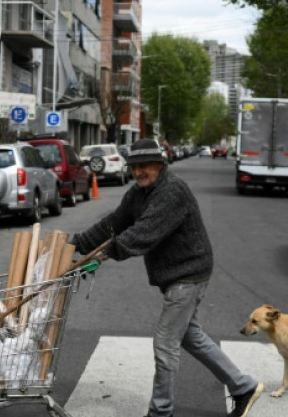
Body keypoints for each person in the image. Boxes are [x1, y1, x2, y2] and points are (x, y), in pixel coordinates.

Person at [71, 138, 263, 417]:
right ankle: (243, 386)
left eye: (146, 166)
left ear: (160, 165)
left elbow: (142, 234)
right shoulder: (138, 193)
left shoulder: (172, 192)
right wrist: (78, 243)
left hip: (187, 273)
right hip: (178, 273)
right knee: (190, 337)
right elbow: (113, 223)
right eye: (135, 166)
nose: (139, 172)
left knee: (165, 342)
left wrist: (99, 257)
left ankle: (160, 412)